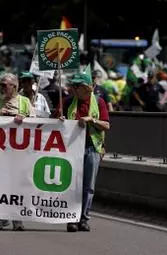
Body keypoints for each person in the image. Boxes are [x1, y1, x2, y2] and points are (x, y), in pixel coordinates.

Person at [0, 72, 32, 231]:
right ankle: (1, 217)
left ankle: (17, 218)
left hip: (19, 152)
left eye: (4, 85)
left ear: (14, 86)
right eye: (0, 85)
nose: (1, 88)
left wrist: (24, 118)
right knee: (1, 184)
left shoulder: (24, 102)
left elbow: (36, 124)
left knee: (17, 185)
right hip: (0, 151)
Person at [59, 71, 110, 232]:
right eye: (73, 85)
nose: (73, 88)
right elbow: (53, 123)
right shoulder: (67, 102)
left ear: (87, 88)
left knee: (89, 186)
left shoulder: (99, 102)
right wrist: (59, 120)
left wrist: (92, 120)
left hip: (91, 148)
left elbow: (107, 125)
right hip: (72, 149)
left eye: (77, 86)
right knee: (72, 185)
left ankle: (83, 218)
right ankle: (71, 218)